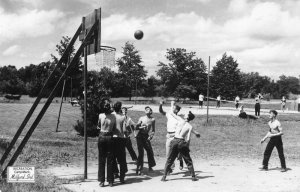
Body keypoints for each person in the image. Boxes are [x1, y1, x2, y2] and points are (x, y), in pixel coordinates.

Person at [161, 111, 200, 182]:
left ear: (187, 117)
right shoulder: (190, 126)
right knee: (188, 160)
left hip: (175, 140)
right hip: (182, 142)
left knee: (170, 159)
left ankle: (164, 177)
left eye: (186, 114)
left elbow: (172, 113)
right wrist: (186, 147)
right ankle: (193, 176)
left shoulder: (180, 120)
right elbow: (188, 139)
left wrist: (172, 106)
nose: (184, 114)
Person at [97, 98, 116, 187]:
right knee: (102, 159)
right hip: (103, 137)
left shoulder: (113, 116)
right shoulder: (101, 115)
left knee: (110, 159)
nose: (107, 106)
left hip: (108, 137)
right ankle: (102, 180)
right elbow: (98, 126)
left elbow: (98, 126)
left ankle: (110, 180)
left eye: (107, 105)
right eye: (105, 105)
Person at [159, 100, 183, 171]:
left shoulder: (179, 119)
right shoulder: (169, 115)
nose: (172, 109)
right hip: (169, 136)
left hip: (176, 137)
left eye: (173, 108)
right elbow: (161, 111)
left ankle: (180, 160)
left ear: (176, 110)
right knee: (168, 154)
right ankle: (169, 168)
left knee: (178, 153)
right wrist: (160, 105)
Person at [135, 106, 156, 175]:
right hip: (140, 136)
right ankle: (139, 169)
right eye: (146, 109)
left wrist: (151, 136)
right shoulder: (141, 118)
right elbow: (136, 128)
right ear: (145, 111)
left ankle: (150, 166)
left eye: (148, 109)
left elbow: (153, 130)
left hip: (146, 136)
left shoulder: (152, 119)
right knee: (141, 153)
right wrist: (141, 126)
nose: (147, 110)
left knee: (149, 150)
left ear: (151, 111)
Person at [111, 101, 127, 184]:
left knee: (112, 158)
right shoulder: (123, 117)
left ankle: (115, 172)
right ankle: (122, 177)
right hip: (120, 138)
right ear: (120, 108)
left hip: (112, 138)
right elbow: (124, 129)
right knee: (122, 159)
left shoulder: (111, 115)